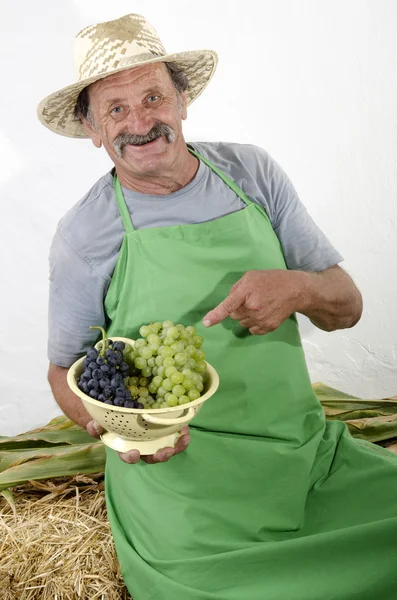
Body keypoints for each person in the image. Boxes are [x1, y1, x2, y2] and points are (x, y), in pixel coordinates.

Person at [39, 13, 397, 600]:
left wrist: (299, 288)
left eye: (154, 96)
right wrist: (117, 433)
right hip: (185, 487)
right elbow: (66, 371)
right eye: (116, 110)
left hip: (301, 454)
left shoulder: (251, 174)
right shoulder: (86, 234)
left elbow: (348, 306)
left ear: (183, 101)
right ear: (94, 131)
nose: (141, 122)